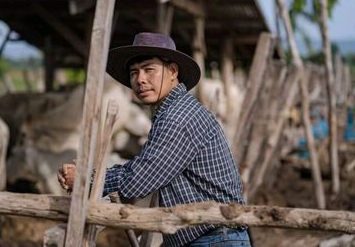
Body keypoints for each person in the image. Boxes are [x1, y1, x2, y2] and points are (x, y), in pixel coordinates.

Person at [57, 32, 250, 247]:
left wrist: (86, 179)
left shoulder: (179, 116)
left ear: (172, 72)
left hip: (214, 238)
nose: (140, 79)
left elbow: (139, 179)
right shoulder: (171, 112)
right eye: (134, 73)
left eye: (149, 69)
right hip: (208, 235)